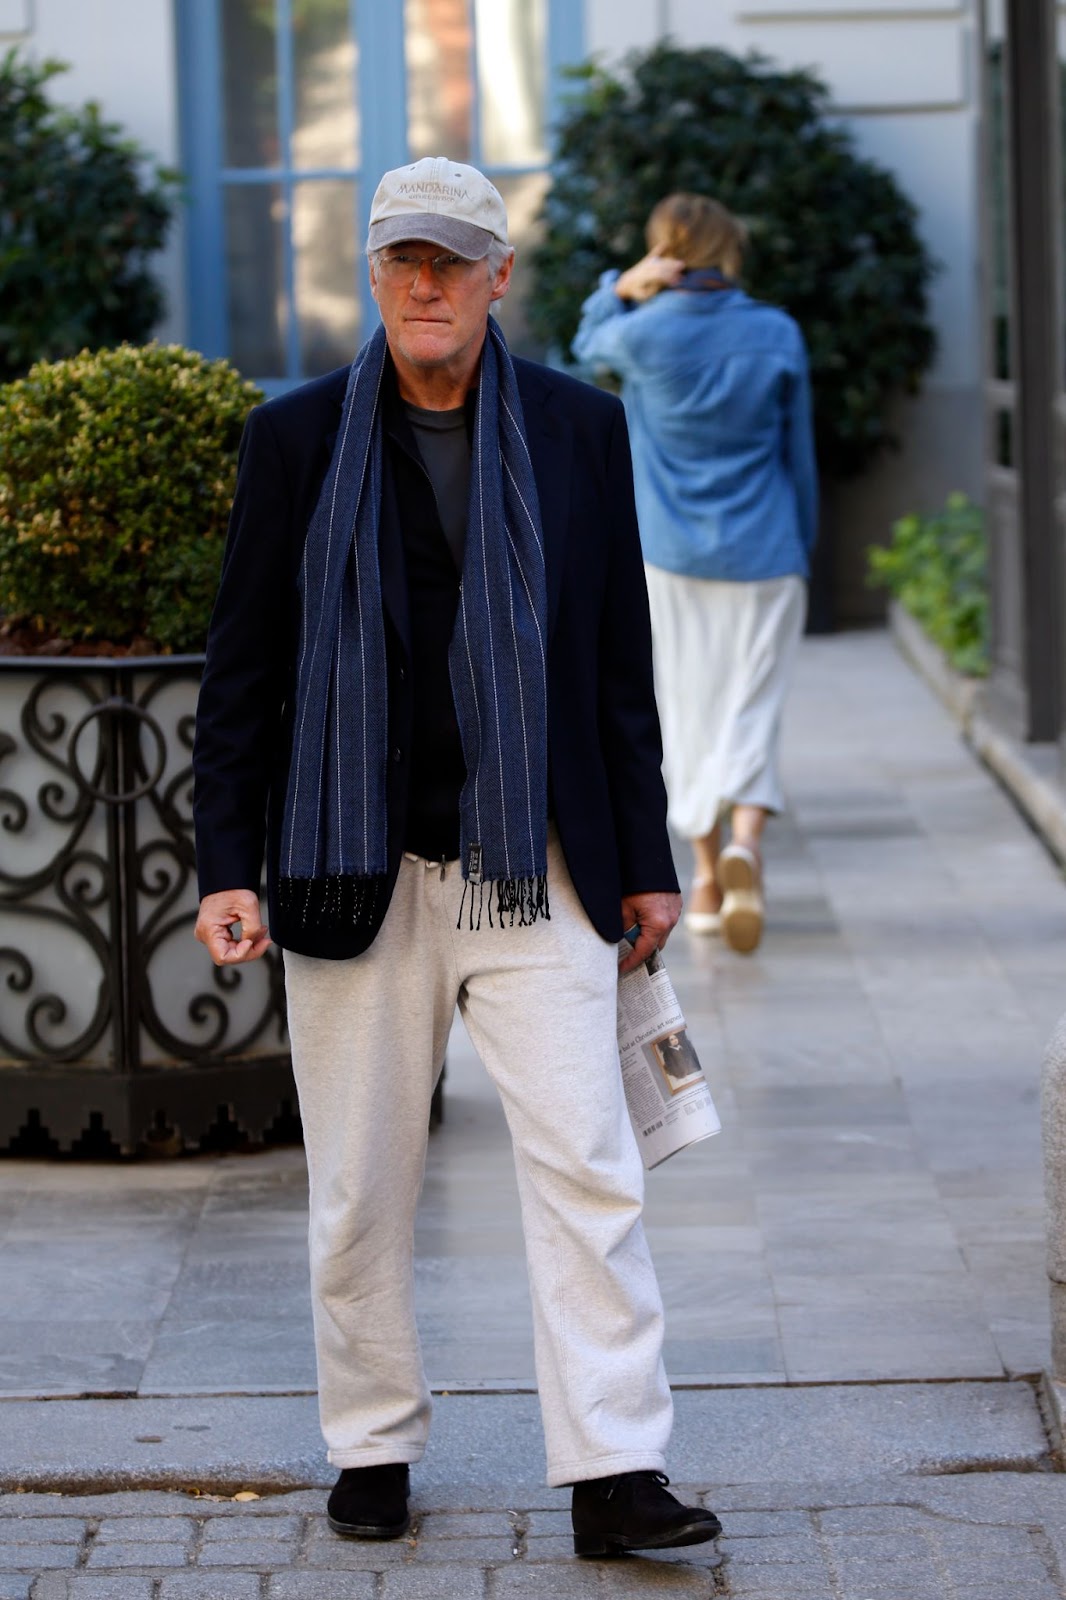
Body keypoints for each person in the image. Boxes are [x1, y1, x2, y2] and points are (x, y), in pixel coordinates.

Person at [192, 156, 721, 1559]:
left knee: (589, 1164)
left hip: (529, 860)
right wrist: (223, 863)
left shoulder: (575, 428)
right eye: (401, 261)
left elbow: (618, 660)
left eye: (452, 260)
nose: (424, 286)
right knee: (361, 1185)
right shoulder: (297, 438)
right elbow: (241, 668)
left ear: (499, 277)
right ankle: (371, 1444)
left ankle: (614, 1470)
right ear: (374, 277)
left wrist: (643, 856)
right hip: (346, 864)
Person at [572, 193, 817, 954]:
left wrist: (619, 285)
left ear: (665, 253)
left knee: (685, 709)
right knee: (753, 705)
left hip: (668, 555)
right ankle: (746, 847)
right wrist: (801, 543)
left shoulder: (640, 335)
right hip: (767, 549)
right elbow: (798, 456)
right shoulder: (776, 333)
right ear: (731, 248)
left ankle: (707, 883)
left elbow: (584, 348)